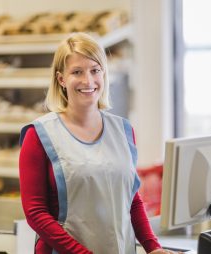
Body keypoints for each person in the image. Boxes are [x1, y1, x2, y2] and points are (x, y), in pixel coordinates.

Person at [18, 32, 181, 254]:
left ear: (104, 74)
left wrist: (153, 247)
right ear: (61, 79)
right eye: (77, 72)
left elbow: (131, 199)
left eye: (95, 70)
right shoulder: (40, 135)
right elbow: (35, 212)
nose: (88, 80)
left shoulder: (123, 131)